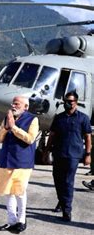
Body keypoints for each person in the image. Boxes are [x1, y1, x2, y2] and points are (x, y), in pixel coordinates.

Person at [0, 96, 39, 233]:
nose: (13, 106)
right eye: (13, 103)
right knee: (8, 192)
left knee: (19, 192)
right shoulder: (7, 118)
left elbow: (30, 139)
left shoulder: (33, 119)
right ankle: (11, 220)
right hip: (6, 160)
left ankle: (21, 220)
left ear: (26, 107)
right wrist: (6, 128)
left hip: (22, 162)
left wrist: (14, 128)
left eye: (17, 104)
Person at [44, 92, 91, 222]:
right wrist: (46, 151)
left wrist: (88, 154)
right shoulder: (58, 118)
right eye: (66, 101)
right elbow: (52, 135)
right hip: (58, 153)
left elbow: (88, 137)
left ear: (76, 102)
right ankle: (62, 201)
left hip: (74, 155)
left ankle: (67, 211)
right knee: (57, 180)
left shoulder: (83, 118)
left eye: (70, 101)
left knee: (68, 181)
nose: (67, 103)